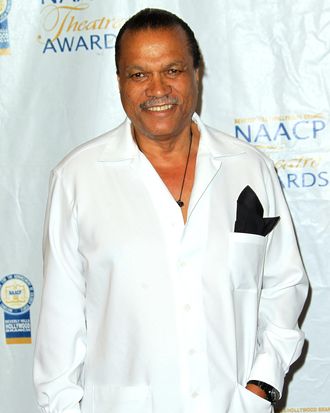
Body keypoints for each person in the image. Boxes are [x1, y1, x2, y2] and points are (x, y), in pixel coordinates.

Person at [33, 8, 308, 413]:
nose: (157, 88)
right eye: (139, 74)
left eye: (173, 70)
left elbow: (285, 286)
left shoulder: (249, 167)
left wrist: (262, 386)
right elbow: (60, 324)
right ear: (120, 83)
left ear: (197, 73)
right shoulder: (77, 178)